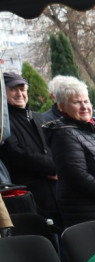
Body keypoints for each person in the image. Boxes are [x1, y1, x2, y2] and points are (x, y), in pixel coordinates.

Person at [43, 77, 95, 227]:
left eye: (86, 101)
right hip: (90, 213)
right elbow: (78, 177)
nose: (84, 107)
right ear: (62, 107)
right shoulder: (63, 134)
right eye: (76, 102)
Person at [0, 70, 61, 227]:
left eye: (22, 89)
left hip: (56, 194)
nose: (19, 93)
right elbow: (15, 153)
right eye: (13, 89)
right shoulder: (4, 124)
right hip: (30, 196)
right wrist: (52, 167)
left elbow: (54, 145)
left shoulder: (38, 117)